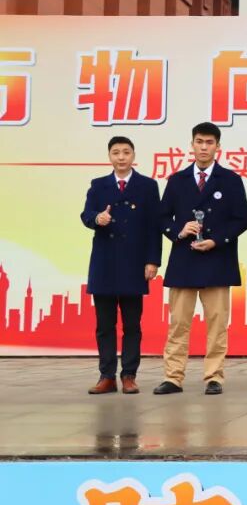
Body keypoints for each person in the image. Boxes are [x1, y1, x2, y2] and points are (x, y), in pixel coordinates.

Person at [154, 122, 247, 395]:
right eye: (199, 142)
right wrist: (179, 230)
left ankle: (214, 377)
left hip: (217, 260)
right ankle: (173, 377)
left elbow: (242, 219)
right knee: (178, 324)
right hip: (184, 261)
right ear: (192, 145)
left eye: (209, 142)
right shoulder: (177, 180)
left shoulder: (230, 180)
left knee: (217, 325)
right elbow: (162, 217)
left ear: (218, 146)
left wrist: (217, 240)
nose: (204, 147)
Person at [80, 136, 162, 395]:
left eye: (126, 152)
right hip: (105, 262)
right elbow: (85, 215)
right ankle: (107, 376)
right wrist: (97, 218)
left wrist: (152, 260)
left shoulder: (147, 186)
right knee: (104, 325)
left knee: (131, 325)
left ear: (133, 155)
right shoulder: (98, 185)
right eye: (116, 152)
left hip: (134, 263)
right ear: (109, 156)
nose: (121, 157)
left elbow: (154, 226)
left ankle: (129, 375)